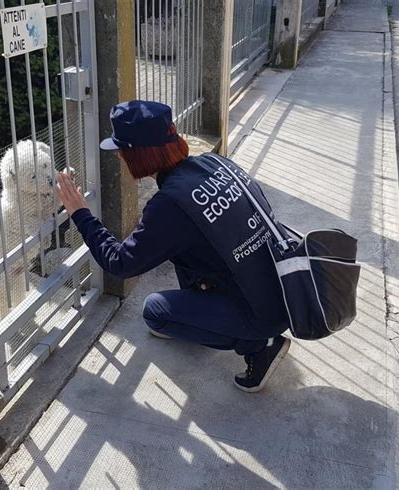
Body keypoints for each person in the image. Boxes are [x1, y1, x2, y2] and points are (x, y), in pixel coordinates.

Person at [56, 100, 291, 393]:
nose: (118, 158)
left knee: (154, 312)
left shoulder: (171, 206)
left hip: (263, 311)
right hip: (284, 286)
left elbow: (120, 263)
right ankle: (227, 316)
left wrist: (80, 212)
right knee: (186, 249)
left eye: (121, 150)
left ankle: (259, 344)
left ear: (137, 155)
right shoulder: (214, 163)